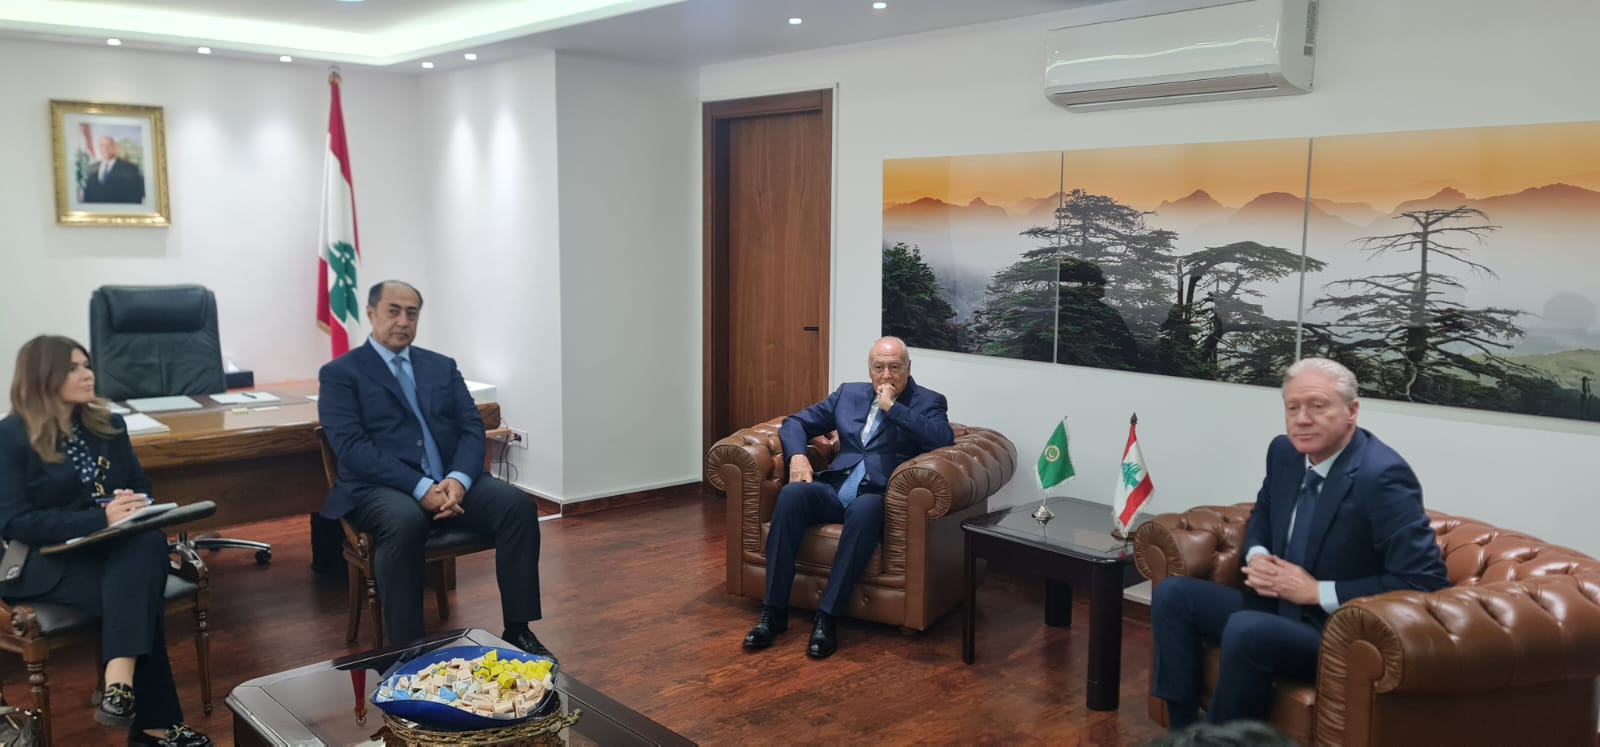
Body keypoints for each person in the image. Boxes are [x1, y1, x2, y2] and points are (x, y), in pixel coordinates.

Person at [1150, 357, 1448, 728]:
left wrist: (1316, 591)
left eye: (1317, 406)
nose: (1302, 419)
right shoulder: (1284, 453)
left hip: (1336, 630)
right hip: (1275, 604)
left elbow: (1424, 581)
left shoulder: (1382, 476)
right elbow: (1263, 514)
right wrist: (1257, 555)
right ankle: (1182, 732)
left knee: (1247, 629)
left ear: (1352, 411)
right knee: (1174, 595)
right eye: (1293, 408)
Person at [318, 280, 549, 655]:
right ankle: (407, 650)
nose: (403, 321)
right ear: (371, 313)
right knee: (404, 520)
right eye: (393, 311)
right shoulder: (341, 373)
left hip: (451, 481)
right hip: (380, 487)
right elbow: (352, 447)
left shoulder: (440, 366)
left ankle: (518, 630)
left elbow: (471, 427)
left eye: (412, 313)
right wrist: (420, 486)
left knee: (517, 507)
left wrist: (459, 479)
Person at [0, 336, 211, 746]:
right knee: (138, 594)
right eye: (74, 367)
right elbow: (14, 521)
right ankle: (150, 722)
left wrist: (132, 502)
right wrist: (100, 517)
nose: (88, 374)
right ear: (43, 375)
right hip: (45, 561)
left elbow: (139, 484)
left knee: (147, 545)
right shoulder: (10, 436)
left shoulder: (109, 425)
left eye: (87, 365)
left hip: (111, 548)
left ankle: (120, 690)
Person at [742, 336, 954, 659]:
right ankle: (774, 612)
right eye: (879, 367)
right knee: (792, 495)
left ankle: (827, 616)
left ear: (909, 368)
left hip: (876, 495)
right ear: (869, 370)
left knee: (865, 510)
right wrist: (797, 456)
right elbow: (795, 422)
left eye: (895, 367)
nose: (886, 375)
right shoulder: (848, 394)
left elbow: (942, 438)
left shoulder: (929, 401)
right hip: (834, 487)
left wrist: (893, 408)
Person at [82, 135, 146, 204]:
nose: (105, 148)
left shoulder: (130, 169)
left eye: (108, 145)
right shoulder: (91, 168)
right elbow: (87, 196)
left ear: (115, 148)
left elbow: (135, 198)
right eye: (102, 145)